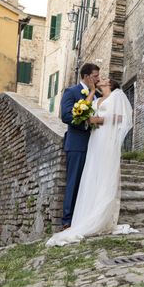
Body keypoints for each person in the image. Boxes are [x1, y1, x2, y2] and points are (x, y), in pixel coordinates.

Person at [48, 77, 135, 247]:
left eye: (103, 79)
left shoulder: (116, 96)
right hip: (94, 139)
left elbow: (123, 118)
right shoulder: (96, 98)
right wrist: (92, 93)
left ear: (109, 84)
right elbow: (85, 111)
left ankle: (101, 216)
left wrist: (99, 120)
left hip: (106, 139)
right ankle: (88, 213)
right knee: (92, 173)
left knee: (104, 173)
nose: (99, 79)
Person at [59, 63, 100, 230]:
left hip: (94, 144)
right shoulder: (72, 92)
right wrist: (86, 121)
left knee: (88, 183)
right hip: (77, 143)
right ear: (86, 76)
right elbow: (66, 115)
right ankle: (67, 221)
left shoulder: (97, 95)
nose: (98, 79)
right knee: (74, 181)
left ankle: (83, 217)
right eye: (96, 76)